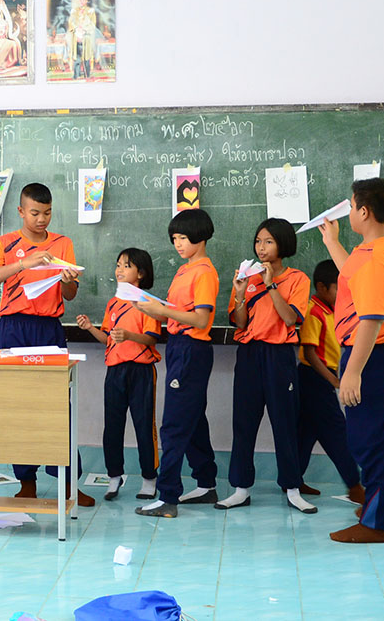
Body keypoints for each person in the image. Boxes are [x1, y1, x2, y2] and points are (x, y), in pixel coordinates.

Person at [0, 182, 92, 506]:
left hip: (49, 328)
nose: (42, 219)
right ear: (21, 212)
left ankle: (69, 482)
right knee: (18, 404)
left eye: (48, 213)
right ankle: (26, 479)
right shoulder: (6, 242)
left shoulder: (62, 243)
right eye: (35, 213)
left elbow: (69, 294)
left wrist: (68, 283)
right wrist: (22, 264)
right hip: (14, 327)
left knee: (58, 405)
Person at [320, 178, 384, 544]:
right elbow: (352, 278)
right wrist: (332, 242)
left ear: (364, 211)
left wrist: (352, 372)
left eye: (352, 205)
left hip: (370, 354)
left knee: (368, 439)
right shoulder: (376, 248)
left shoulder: (374, 258)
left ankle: (376, 524)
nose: (350, 211)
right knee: (379, 434)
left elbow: (371, 319)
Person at [216, 219, 315, 513]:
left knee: (285, 422)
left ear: (282, 244)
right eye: (258, 241)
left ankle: (293, 487)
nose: (261, 247)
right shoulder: (246, 275)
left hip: (280, 355)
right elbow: (240, 322)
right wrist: (238, 292)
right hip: (249, 354)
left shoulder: (298, 279)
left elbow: (290, 319)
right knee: (243, 422)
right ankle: (240, 488)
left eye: (268, 241)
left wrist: (271, 284)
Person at [136, 209, 220, 517]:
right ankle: (207, 484)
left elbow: (200, 317)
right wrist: (150, 306)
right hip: (180, 346)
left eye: (183, 238)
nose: (178, 244)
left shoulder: (204, 272)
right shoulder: (185, 270)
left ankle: (167, 496)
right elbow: (176, 310)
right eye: (174, 239)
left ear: (200, 236)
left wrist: (164, 312)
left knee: (173, 423)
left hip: (192, 348)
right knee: (193, 419)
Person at [75, 247, 161, 502]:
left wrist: (129, 336)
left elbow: (151, 339)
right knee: (112, 426)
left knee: (144, 425)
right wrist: (90, 328)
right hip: (115, 370)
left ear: (141, 273)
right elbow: (109, 339)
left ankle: (149, 479)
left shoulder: (148, 302)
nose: (119, 270)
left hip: (141, 370)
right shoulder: (113, 303)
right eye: (118, 265)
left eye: (126, 265)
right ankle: (114, 477)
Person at [296, 260, 363, 504]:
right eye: (338, 288)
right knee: (337, 432)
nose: (343, 294)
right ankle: (355, 486)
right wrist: (335, 381)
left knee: (307, 431)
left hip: (322, 377)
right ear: (322, 287)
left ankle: (292, 480)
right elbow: (311, 354)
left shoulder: (332, 310)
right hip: (313, 378)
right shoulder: (313, 311)